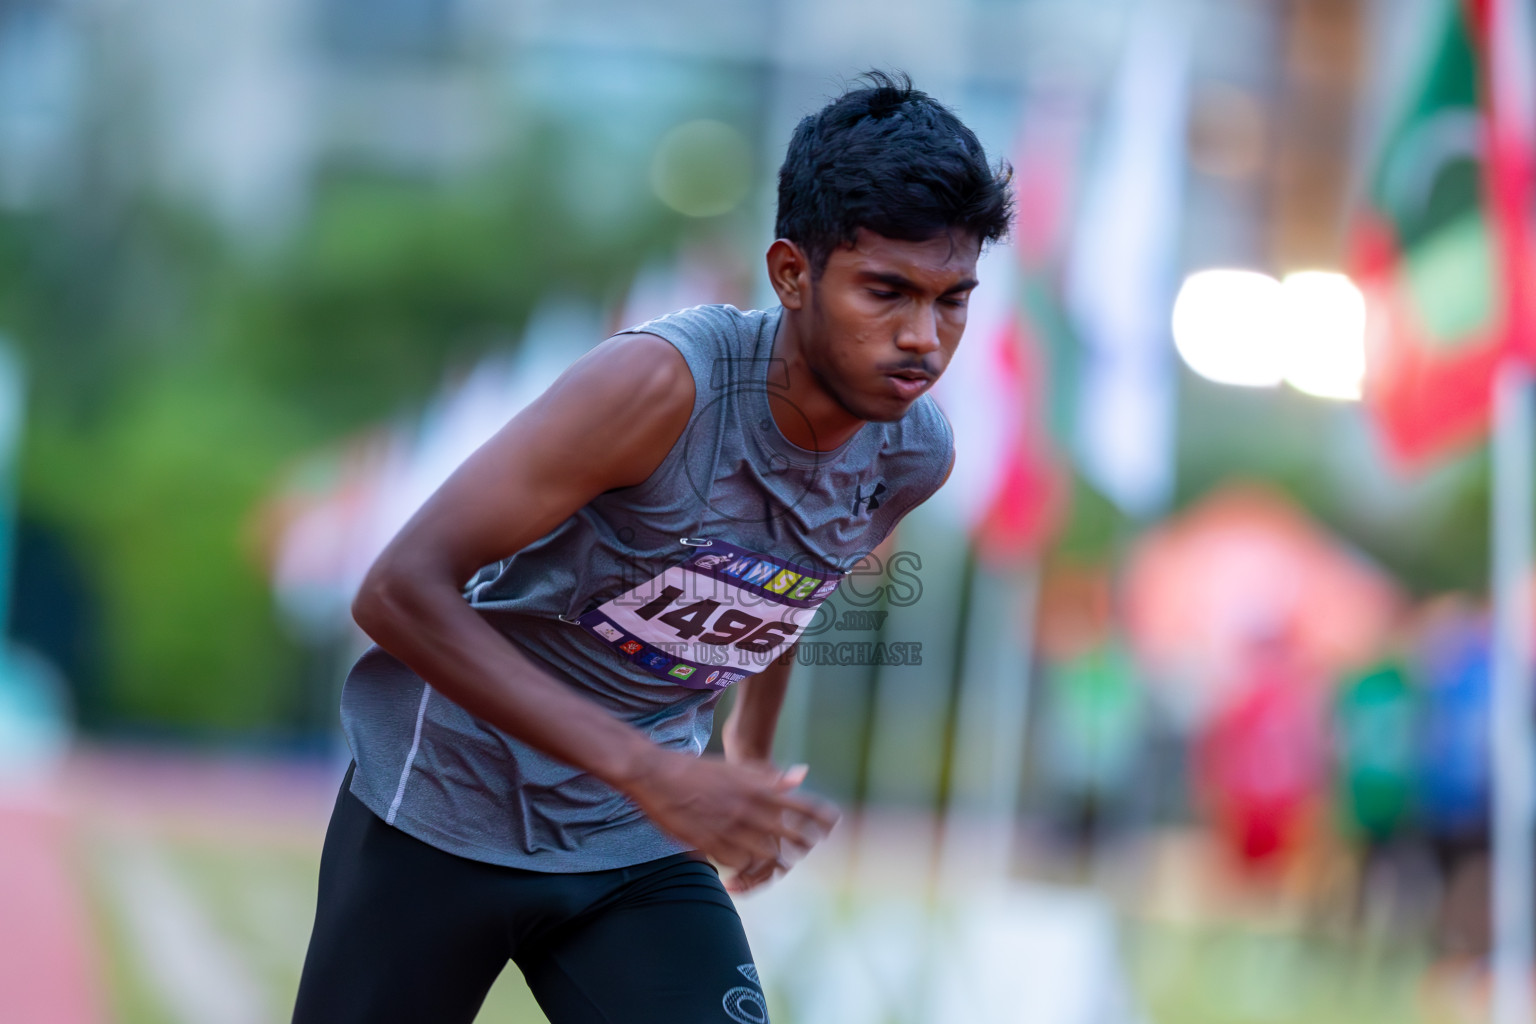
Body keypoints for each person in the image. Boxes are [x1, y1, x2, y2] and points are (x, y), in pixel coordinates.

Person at [292, 70, 1014, 1024]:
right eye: (887, 291)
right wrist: (653, 768)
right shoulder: (659, 387)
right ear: (791, 272)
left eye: (952, 300)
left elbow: (786, 578)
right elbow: (396, 591)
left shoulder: (912, 453)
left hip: (633, 844)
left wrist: (749, 752)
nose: (923, 339)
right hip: (445, 808)